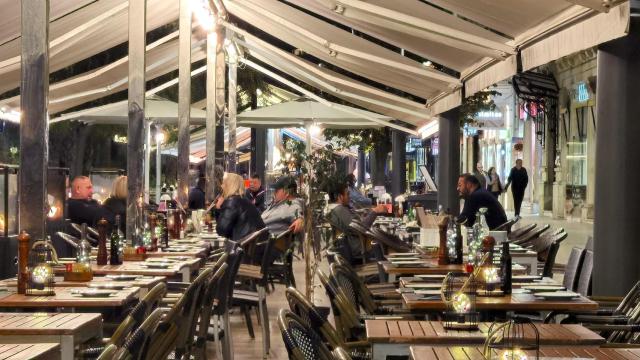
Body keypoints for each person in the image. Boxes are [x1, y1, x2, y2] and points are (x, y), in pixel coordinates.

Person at [327, 179, 387, 259]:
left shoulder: (337, 210)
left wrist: (369, 214)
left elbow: (356, 225)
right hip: (359, 248)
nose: (349, 197)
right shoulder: (340, 210)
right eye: (347, 194)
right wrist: (375, 212)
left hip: (357, 245)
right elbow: (359, 228)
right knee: (385, 246)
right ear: (340, 197)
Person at [215, 173, 266, 242]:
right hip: (257, 245)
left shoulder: (232, 201)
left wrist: (218, 208)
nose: (222, 186)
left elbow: (221, 231)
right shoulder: (243, 199)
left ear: (229, 185)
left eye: (224, 183)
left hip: (245, 248)